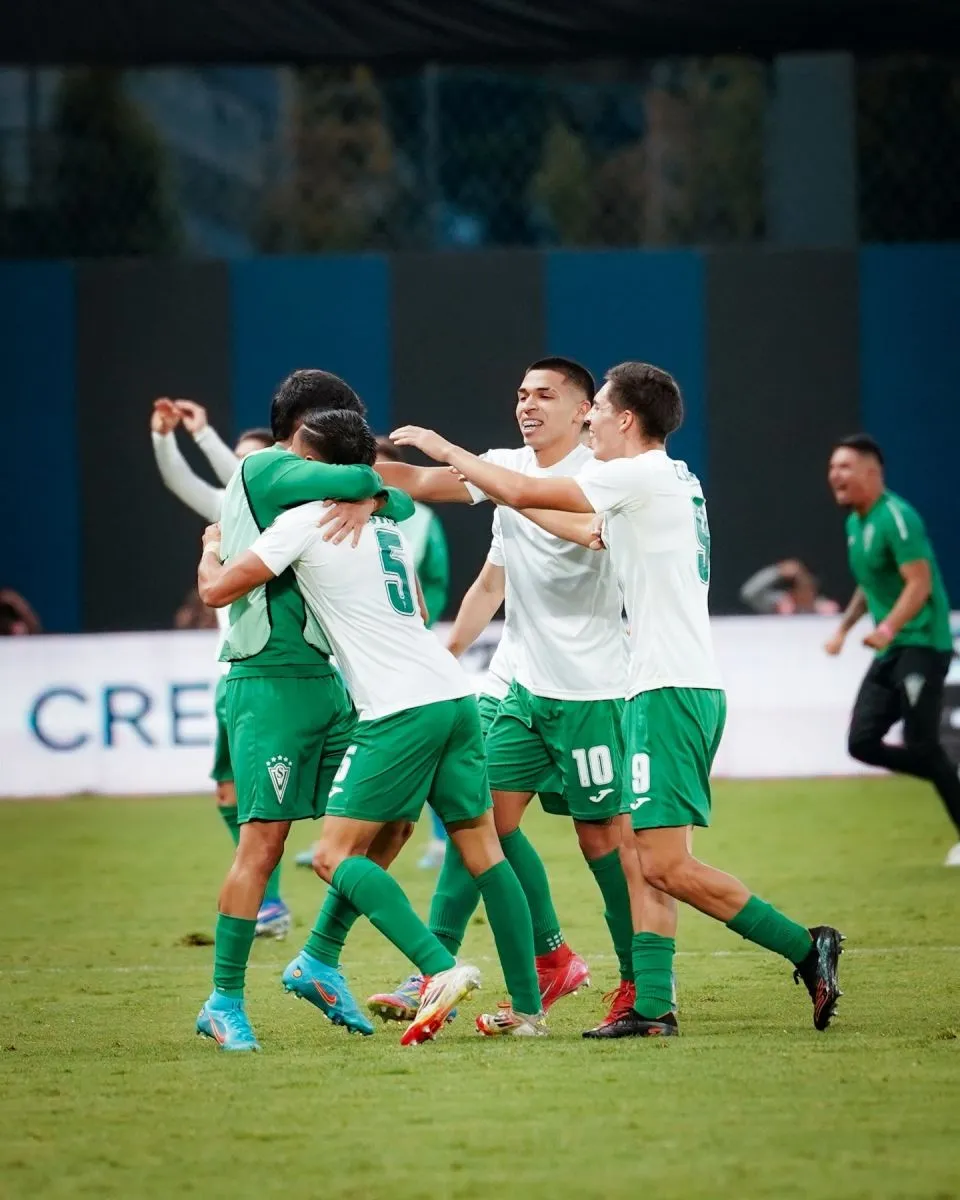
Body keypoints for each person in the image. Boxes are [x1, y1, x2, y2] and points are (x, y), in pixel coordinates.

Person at [391, 360, 845, 1038]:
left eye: (598, 410)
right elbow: (520, 501)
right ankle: (650, 1005)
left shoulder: (634, 475)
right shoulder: (670, 476)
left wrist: (442, 447)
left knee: (657, 861)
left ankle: (805, 948)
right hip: (658, 685)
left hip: (662, 689)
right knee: (643, 857)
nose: (592, 422)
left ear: (625, 419)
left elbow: (522, 490)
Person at [198, 408, 544, 1045]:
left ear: (318, 465)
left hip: (397, 708)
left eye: (301, 458)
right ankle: (527, 1011)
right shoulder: (385, 523)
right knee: (484, 852)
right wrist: (376, 495)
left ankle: (439, 969)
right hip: (452, 694)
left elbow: (217, 591)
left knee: (332, 855)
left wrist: (211, 545)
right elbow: (416, 591)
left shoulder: (305, 519)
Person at [366, 358, 642, 1033]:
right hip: (516, 684)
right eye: (521, 394)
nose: (527, 405)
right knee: (479, 818)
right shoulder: (503, 466)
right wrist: (328, 467)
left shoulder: (602, 474)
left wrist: (451, 453)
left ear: (584, 410)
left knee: (603, 843)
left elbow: (550, 513)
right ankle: (444, 967)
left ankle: (639, 981)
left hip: (590, 690)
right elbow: (488, 577)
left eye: (545, 394)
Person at [192, 369, 415, 1052]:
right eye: (340, 426)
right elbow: (374, 482)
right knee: (264, 843)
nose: (354, 441)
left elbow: (402, 504)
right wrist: (369, 489)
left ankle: (318, 959)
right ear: (303, 427)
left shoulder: (316, 486)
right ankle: (223, 1001)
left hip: (325, 678)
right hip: (268, 680)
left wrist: (374, 496)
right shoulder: (265, 468)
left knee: (394, 818)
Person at [150, 397, 290, 936]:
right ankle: (270, 902)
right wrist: (166, 437)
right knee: (230, 794)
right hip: (232, 675)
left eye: (251, 460)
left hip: (272, 672)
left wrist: (204, 435)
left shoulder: (280, 515)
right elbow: (180, 482)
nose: (241, 468)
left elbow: (243, 478)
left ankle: (271, 904)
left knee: (262, 800)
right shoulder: (229, 512)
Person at [826, 434, 960, 866]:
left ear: (872, 472)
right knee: (861, 743)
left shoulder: (898, 518)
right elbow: (869, 585)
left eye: (845, 467)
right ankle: (946, 771)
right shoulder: (856, 524)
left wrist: (887, 628)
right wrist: (843, 630)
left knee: (921, 743)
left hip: (923, 644)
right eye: (832, 468)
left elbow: (919, 584)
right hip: (892, 648)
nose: (835, 475)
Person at [740, 560, 839, 615]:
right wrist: (777, 571)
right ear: (792, 591)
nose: (807, 592)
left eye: (809, 587)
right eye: (802, 588)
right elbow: (748, 593)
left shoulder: (826, 609)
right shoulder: (779, 605)